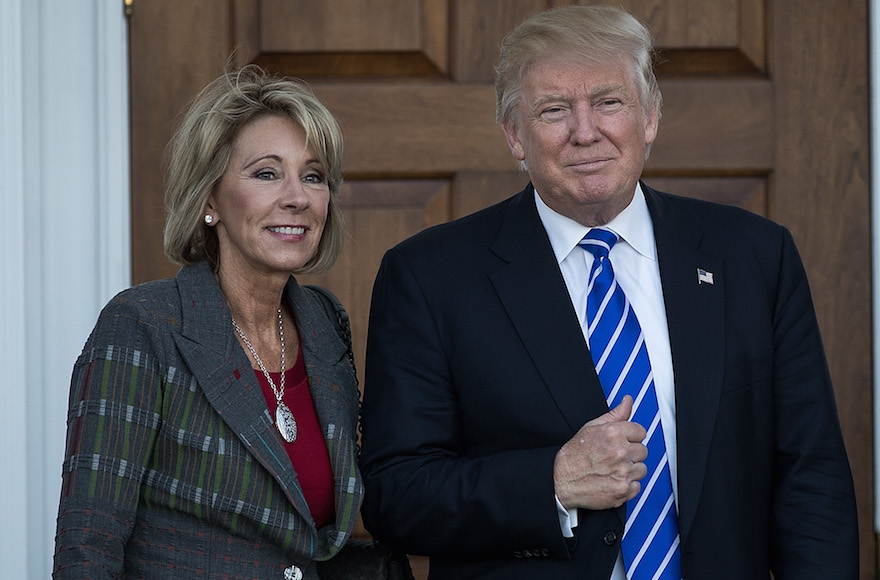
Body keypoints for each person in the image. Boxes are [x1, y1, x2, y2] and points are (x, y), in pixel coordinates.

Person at [359, 5, 859, 579]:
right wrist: (552, 482)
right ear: (514, 135)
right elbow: (395, 496)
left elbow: (811, 479)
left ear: (649, 118)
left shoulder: (754, 256)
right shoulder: (429, 277)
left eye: (608, 102)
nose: (585, 131)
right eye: (553, 110)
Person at [53, 65, 363, 579]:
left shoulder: (325, 323)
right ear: (209, 200)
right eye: (266, 173)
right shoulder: (142, 326)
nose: (298, 197)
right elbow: (88, 548)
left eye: (313, 176)